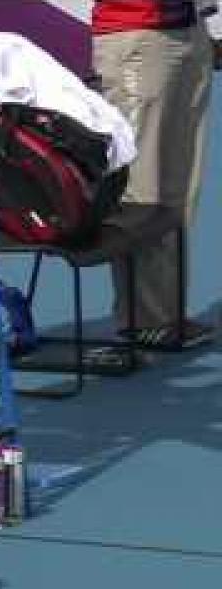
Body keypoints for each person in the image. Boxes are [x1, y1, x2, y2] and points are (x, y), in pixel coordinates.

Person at [92, 0, 215, 348]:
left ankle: (166, 313)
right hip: (137, 36)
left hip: (188, 29)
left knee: (180, 184)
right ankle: (142, 318)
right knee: (139, 184)